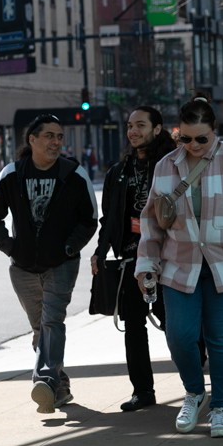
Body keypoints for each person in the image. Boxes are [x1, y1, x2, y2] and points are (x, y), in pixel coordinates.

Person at [136, 95, 223, 438]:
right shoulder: (166, 165)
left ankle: (222, 407)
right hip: (179, 264)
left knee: (221, 340)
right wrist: (146, 264)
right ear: (176, 134)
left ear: (215, 132)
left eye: (201, 138)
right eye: (185, 138)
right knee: (179, 336)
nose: (193, 145)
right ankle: (195, 392)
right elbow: (151, 221)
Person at [0, 114, 98, 414]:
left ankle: (44, 379)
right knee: (40, 328)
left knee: (52, 322)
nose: (56, 142)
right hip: (22, 268)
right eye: (49, 135)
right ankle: (60, 387)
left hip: (61, 263)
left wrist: (70, 247)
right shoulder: (12, 173)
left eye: (59, 136)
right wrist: (10, 246)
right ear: (32, 140)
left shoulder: (74, 174)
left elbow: (89, 219)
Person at [92, 106, 176, 412]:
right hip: (131, 258)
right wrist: (100, 252)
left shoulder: (170, 165)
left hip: (168, 257)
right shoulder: (119, 171)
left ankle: (194, 378)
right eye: (129, 125)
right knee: (134, 327)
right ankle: (143, 391)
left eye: (140, 125)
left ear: (156, 129)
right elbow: (109, 218)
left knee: (175, 324)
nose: (133, 131)